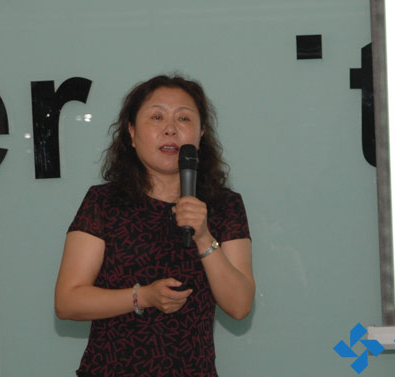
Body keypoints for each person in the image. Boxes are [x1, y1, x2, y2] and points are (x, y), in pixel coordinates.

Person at [55, 74, 255, 377]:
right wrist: (143, 297)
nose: (171, 129)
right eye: (157, 117)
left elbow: (240, 306)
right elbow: (67, 301)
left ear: (201, 134)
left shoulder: (225, 206)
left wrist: (204, 237)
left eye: (184, 118)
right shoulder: (103, 202)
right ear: (132, 132)